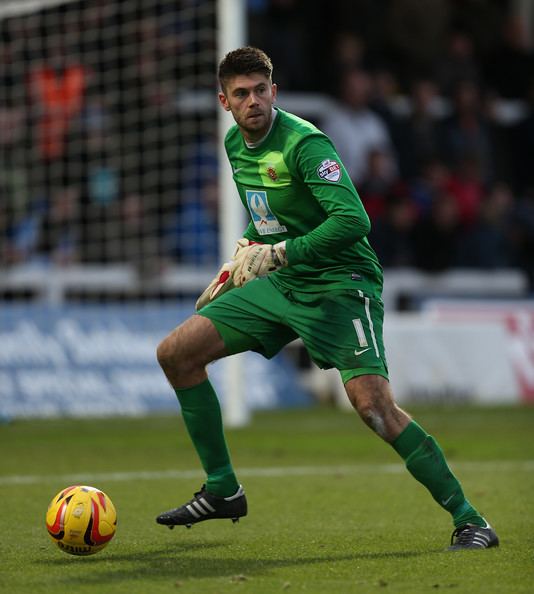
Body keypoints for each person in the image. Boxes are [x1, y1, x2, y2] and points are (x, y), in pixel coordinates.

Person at [155, 46, 498, 551]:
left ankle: (472, 521)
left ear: (275, 91)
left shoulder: (305, 144)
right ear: (224, 101)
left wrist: (279, 254)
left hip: (342, 282)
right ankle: (224, 489)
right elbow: (268, 215)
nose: (253, 101)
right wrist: (244, 253)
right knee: (177, 353)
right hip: (286, 282)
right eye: (241, 93)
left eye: (261, 90)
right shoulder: (234, 143)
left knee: (373, 408)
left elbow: (354, 221)